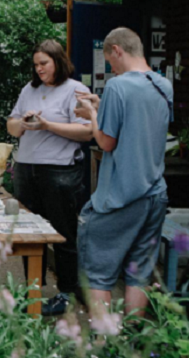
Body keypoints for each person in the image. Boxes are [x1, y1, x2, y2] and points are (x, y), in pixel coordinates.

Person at [74, 27, 173, 317]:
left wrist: (93, 114)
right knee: (138, 273)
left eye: (110, 61)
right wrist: (101, 107)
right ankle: (133, 342)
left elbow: (106, 142)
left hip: (121, 196)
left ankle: (104, 345)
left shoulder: (118, 86)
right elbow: (139, 121)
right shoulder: (163, 85)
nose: (111, 68)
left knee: (97, 275)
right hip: (154, 193)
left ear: (117, 50)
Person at [7, 39, 93, 316]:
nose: (39, 69)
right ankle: (34, 290)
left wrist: (46, 125)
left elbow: (87, 132)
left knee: (63, 234)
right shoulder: (29, 90)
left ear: (58, 60)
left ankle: (66, 292)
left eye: (44, 63)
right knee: (30, 235)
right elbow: (11, 126)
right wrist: (23, 123)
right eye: (35, 65)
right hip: (26, 170)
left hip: (59, 171)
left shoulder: (76, 90)